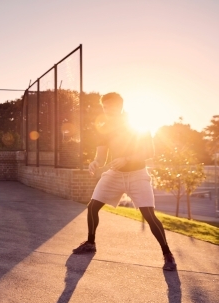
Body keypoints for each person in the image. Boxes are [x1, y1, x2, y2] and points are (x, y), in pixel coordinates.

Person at [72, 92, 177, 271]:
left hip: (137, 174)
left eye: (110, 107)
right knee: (92, 207)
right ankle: (90, 242)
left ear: (120, 106)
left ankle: (168, 255)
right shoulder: (104, 128)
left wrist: (127, 158)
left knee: (149, 215)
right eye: (104, 107)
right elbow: (101, 157)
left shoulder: (138, 124)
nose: (107, 110)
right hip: (115, 174)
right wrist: (95, 163)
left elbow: (149, 152)